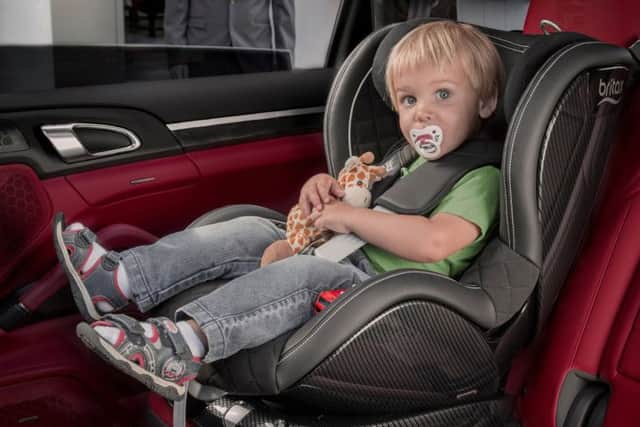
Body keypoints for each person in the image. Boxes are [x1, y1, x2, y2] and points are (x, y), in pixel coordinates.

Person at [53, 21, 504, 401]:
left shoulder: (479, 177)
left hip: (386, 296)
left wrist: (351, 220)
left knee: (302, 277)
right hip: (346, 255)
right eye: (409, 101)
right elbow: (366, 197)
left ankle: (177, 346)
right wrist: (328, 193)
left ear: (485, 102)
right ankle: (119, 280)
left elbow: (435, 241)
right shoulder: (407, 160)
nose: (422, 114)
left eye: (442, 95)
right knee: (249, 229)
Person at [164, 0, 295, 75]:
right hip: (203, 48)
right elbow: (175, 5)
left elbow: (283, 12)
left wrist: (284, 57)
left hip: (255, 48)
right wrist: (177, 56)